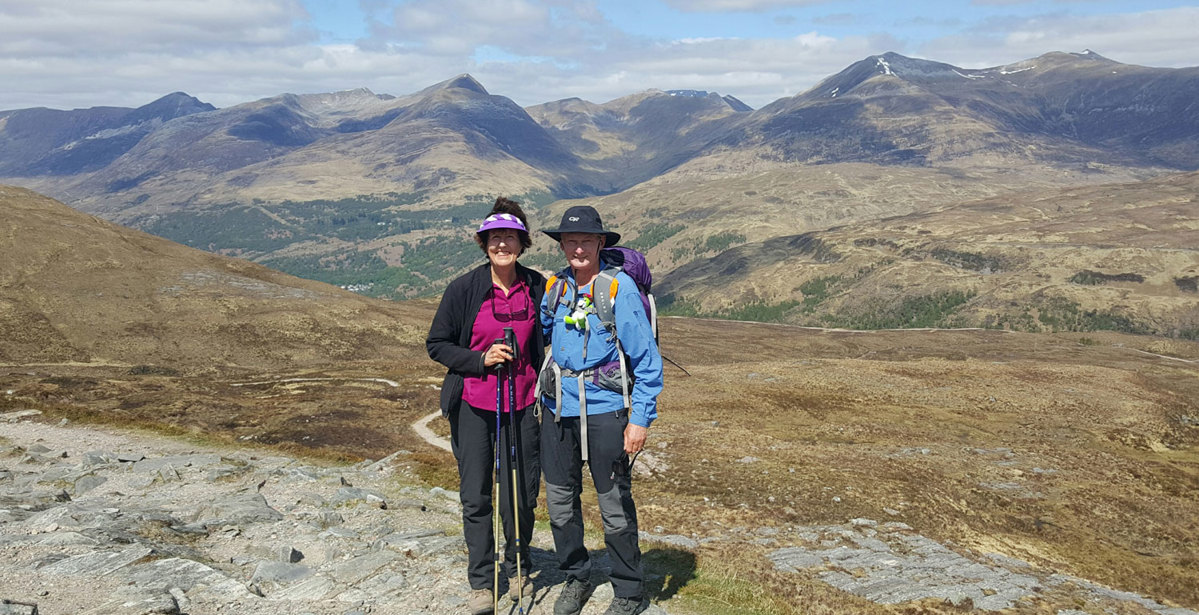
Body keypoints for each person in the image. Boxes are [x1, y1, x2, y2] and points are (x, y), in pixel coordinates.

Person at [537, 205, 663, 615]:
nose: (577, 248)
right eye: (570, 241)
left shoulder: (618, 289)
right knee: (558, 503)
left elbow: (646, 360)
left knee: (613, 505)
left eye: (585, 241)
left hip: (607, 411)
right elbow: (540, 333)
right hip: (558, 410)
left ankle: (628, 591)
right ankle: (577, 576)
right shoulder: (556, 286)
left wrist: (640, 419)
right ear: (562, 244)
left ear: (601, 243)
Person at [427, 197, 545, 615]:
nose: (502, 245)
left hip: (523, 403)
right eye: (495, 238)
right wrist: (480, 360)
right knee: (476, 493)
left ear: (522, 242)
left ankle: (518, 567)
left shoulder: (536, 286)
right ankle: (482, 581)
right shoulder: (464, 289)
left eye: (509, 237)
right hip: (475, 405)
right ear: (484, 243)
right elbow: (437, 344)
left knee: (521, 492)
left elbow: (546, 343)